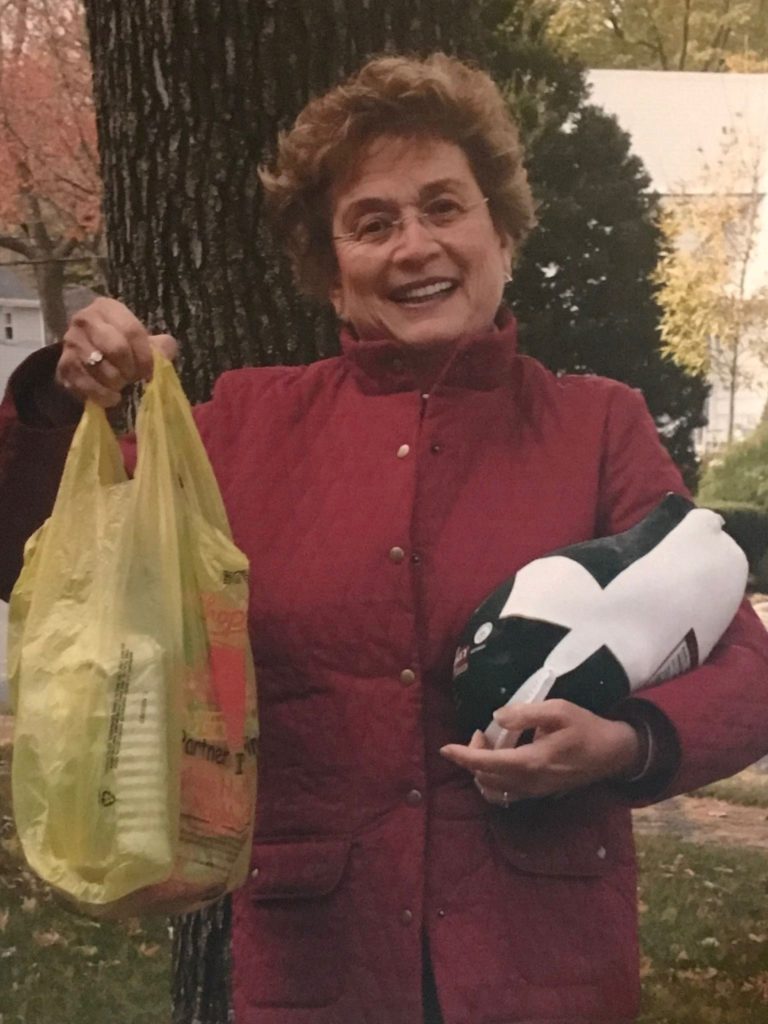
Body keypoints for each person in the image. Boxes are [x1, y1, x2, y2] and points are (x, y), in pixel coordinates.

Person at [2, 53, 768, 1024]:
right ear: (331, 272)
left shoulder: (598, 430)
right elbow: (35, 563)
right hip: (318, 966)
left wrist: (622, 743)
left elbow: (744, 666)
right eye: (373, 222)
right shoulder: (241, 427)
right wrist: (63, 402)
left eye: (445, 206)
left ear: (501, 232)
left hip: (546, 968)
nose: (415, 245)